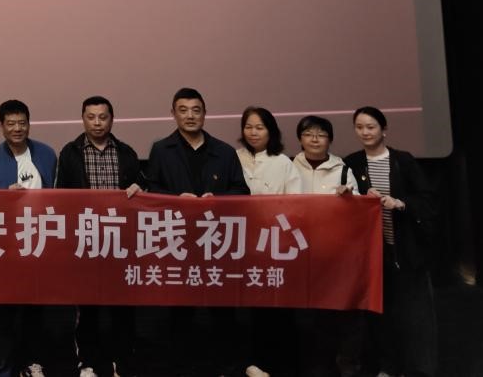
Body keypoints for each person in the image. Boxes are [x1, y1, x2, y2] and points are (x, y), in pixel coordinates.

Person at [145, 88, 249, 377]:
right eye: (183, 110)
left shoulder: (224, 151)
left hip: (217, 240)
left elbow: (242, 191)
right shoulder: (161, 150)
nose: (190, 116)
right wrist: (176, 200)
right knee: (180, 311)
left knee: (222, 310)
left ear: (205, 113)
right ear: (173, 114)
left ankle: (225, 367)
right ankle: (182, 368)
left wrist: (219, 200)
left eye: (196, 110)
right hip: (177, 240)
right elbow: (152, 191)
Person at [344, 106, 437, 377]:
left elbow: (428, 200)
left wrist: (400, 203)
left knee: (413, 315)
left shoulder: (402, 161)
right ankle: (387, 366)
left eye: (371, 127)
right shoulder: (352, 163)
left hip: (406, 250)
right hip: (372, 254)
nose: (365, 132)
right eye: (359, 127)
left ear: (384, 130)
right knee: (379, 316)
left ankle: (417, 369)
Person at [55, 96, 144, 377]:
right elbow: (60, 197)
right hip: (85, 240)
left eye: (103, 117)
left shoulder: (127, 152)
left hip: (121, 241)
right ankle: (89, 363)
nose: (97, 123)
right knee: (87, 309)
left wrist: (139, 188)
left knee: (122, 309)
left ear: (112, 119)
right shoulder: (70, 153)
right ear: (83, 119)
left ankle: (122, 363)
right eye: (91, 117)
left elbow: (142, 189)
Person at [0, 100, 67, 377]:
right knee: (2, 315)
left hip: (40, 243)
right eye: (11, 123)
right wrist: (5, 198)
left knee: (36, 312)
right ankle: (2, 369)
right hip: (4, 248)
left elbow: (59, 196)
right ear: (1, 126)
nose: (17, 128)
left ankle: (33, 364)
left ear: (29, 124)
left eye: (22, 123)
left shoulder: (47, 153)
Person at [237, 107, 302, 377]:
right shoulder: (234, 157)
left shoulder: (283, 162)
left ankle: (280, 363)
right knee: (249, 307)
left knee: (278, 307)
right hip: (241, 243)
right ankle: (253, 362)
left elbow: (296, 205)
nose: (253, 132)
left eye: (260, 127)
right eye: (248, 127)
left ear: (271, 131)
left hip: (276, 243)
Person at [291, 116, 356, 377]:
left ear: (330, 140)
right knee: (304, 313)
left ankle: (336, 363)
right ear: (300, 139)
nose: (315, 139)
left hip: (334, 253)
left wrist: (350, 198)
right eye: (308, 134)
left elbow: (359, 209)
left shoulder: (343, 170)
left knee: (333, 312)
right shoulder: (289, 166)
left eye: (321, 134)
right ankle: (310, 365)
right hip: (299, 251)